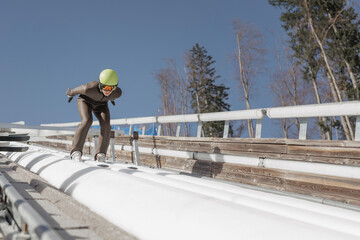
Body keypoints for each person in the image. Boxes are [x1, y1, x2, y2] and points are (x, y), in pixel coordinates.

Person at [66, 69, 122, 162]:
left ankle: (101, 153)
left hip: (101, 105)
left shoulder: (117, 93)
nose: (107, 91)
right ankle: (75, 151)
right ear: (100, 85)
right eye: (105, 87)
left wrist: (111, 99)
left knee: (106, 125)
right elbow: (75, 91)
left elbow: (113, 95)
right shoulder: (89, 88)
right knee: (87, 121)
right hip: (85, 101)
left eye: (111, 88)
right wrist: (70, 94)